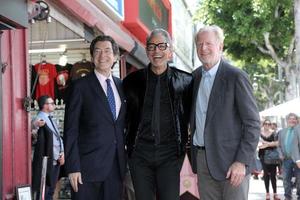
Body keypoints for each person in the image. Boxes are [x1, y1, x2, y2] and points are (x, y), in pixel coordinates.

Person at [189, 25, 260, 200]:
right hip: (202, 161)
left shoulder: (236, 76)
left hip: (232, 163)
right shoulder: (193, 77)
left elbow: (252, 123)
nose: (203, 48)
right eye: (199, 44)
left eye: (208, 44)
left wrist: (242, 161)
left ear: (220, 46)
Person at [123, 28, 192, 200]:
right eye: (152, 46)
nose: (156, 51)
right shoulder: (131, 82)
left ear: (170, 51)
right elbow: (124, 117)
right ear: (146, 51)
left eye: (162, 46)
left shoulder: (186, 81)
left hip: (170, 154)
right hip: (140, 154)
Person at [63, 35, 127, 200]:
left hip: (116, 168)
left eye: (107, 51)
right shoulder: (80, 87)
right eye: (97, 51)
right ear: (92, 57)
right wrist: (73, 167)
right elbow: (71, 130)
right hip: (86, 170)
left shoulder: (122, 86)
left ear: (115, 56)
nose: (102, 56)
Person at [32, 95, 65, 200]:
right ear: (44, 105)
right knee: (44, 191)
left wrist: (62, 152)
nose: (53, 105)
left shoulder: (51, 118)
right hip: (47, 160)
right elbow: (33, 125)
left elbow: (58, 138)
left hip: (57, 159)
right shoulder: (39, 118)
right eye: (51, 103)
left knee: (51, 190)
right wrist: (35, 124)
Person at [277, 113, 300, 200]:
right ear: (287, 120)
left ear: (297, 120)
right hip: (286, 159)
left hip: (297, 160)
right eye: (290, 119)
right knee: (286, 180)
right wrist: (280, 154)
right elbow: (278, 145)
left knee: (299, 179)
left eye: (294, 119)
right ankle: (287, 197)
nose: (292, 120)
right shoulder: (282, 132)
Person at [258, 119, 280, 200]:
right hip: (262, 156)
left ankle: (275, 193)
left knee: (273, 174)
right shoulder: (259, 133)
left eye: (269, 124)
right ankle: (267, 193)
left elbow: (277, 143)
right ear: (263, 124)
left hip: (272, 156)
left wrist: (266, 144)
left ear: (271, 125)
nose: (267, 125)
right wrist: (268, 144)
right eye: (265, 124)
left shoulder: (274, 133)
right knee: (266, 174)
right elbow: (259, 145)